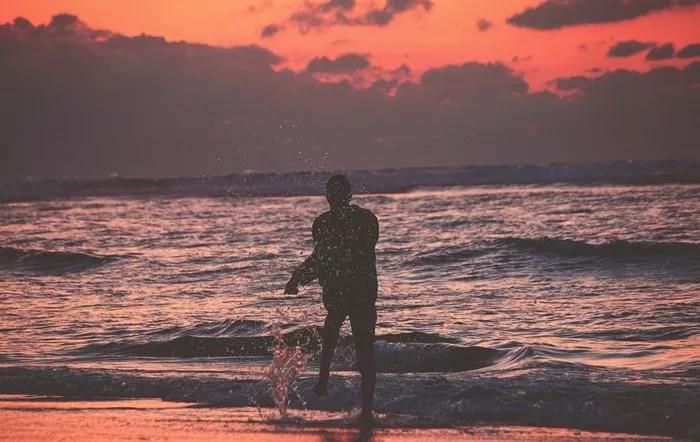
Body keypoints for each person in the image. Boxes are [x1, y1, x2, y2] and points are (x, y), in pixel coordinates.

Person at [284, 174, 379, 423]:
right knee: (362, 349)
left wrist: (298, 278)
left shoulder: (330, 223)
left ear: (340, 196)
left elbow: (322, 259)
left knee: (338, 333)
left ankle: (324, 381)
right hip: (360, 290)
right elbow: (323, 258)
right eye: (332, 193)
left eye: (335, 193)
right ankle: (365, 409)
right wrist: (297, 278)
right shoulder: (365, 219)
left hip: (349, 290)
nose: (333, 197)